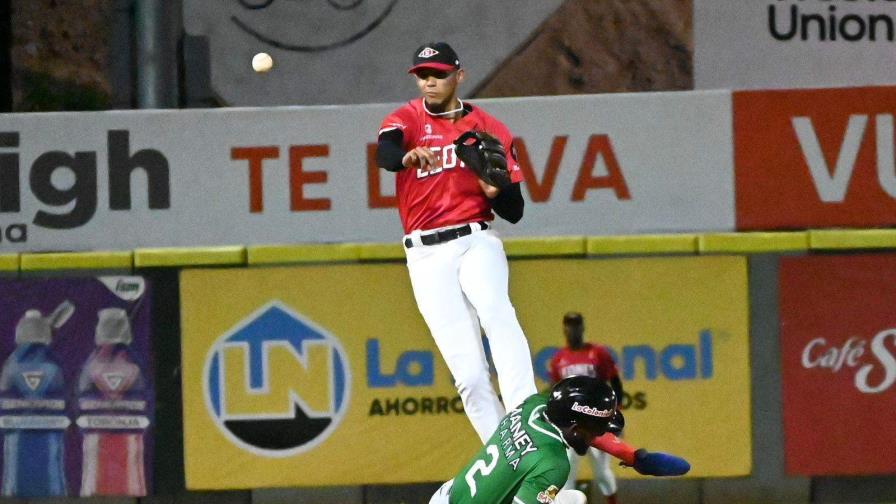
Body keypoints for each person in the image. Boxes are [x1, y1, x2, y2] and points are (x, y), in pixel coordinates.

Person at [376, 41, 536, 442]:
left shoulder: (489, 127)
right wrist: (406, 158)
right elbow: (386, 152)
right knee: (468, 376)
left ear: (459, 76)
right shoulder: (406, 119)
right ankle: (508, 452)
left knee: (496, 311)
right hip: (425, 255)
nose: (430, 82)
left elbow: (515, 211)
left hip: (475, 240)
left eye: (439, 74)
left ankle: (525, 412)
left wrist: (496, 189)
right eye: (423, 75)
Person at [429, 376, 690, 504]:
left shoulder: (533, 405)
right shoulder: (554, 464)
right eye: (596, 430)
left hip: (446, 497)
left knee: (571, 499)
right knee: (575, 501)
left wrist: (632, 456)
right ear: (575, 430)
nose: (599, 436)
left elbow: (574, 421)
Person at [549, 312, 623, 504]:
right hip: (571, 423)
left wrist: (614, 411)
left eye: (576, 325)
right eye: (569, 325)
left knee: (601, 471)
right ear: (564, 329)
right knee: (566, 471)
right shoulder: (559, 359)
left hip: (596, 419)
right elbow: (556, 391)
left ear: (582, 327)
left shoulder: (597, 353)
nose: (572, 329)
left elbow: (615, 381)